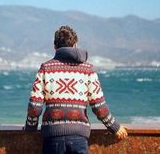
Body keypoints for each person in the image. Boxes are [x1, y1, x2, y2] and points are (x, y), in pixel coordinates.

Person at [24, 25, 128, 154]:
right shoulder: (87, 69)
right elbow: (98, 105)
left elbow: (35, 106)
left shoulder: (46, 68)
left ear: (55, 47)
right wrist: (114, 127)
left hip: (52, 137)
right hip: (79, 138)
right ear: (75, 44)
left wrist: (30, 127)